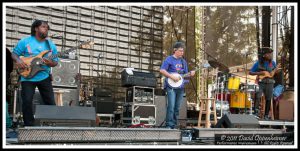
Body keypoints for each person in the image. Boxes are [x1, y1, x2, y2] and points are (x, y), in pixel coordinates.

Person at [11, 20, 59, 126]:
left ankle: (51, 125)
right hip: (27, 77)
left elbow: (55, 62)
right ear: (36, 28)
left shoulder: (51, 45)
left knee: (50, 102)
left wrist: (51, 62)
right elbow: (14, 54)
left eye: (47, 27)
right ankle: (29, 126)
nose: (46, 29)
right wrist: (19, 61)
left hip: (44, 76)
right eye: (43, 27)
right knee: (27, 101)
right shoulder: (25, 41)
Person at [160, 41, 195, 129]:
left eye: (183, 51)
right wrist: (171, 76)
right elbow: (162, 70)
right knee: (171, 106)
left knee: (177, 108)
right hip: (171, 87)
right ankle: (169, 125)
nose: (182, 53)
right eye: (180, 51)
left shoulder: (183, 62)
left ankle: (174, 125)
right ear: (175, 50)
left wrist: (190, 74)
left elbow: (185, 75)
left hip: (180, 87)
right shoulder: (169, 59)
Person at [249, 47, 281, 120]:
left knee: (269, 98)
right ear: (264, 55)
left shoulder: (272, 63)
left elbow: (273, 73)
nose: (270, 55)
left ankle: (266, 115)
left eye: (271, 54)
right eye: (268, 54)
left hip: (270, 82)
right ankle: (255, 113)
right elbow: (250, 72)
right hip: (261, 82)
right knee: (258, 95)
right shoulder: (258, 63)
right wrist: (260, 72)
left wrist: (276, 72)